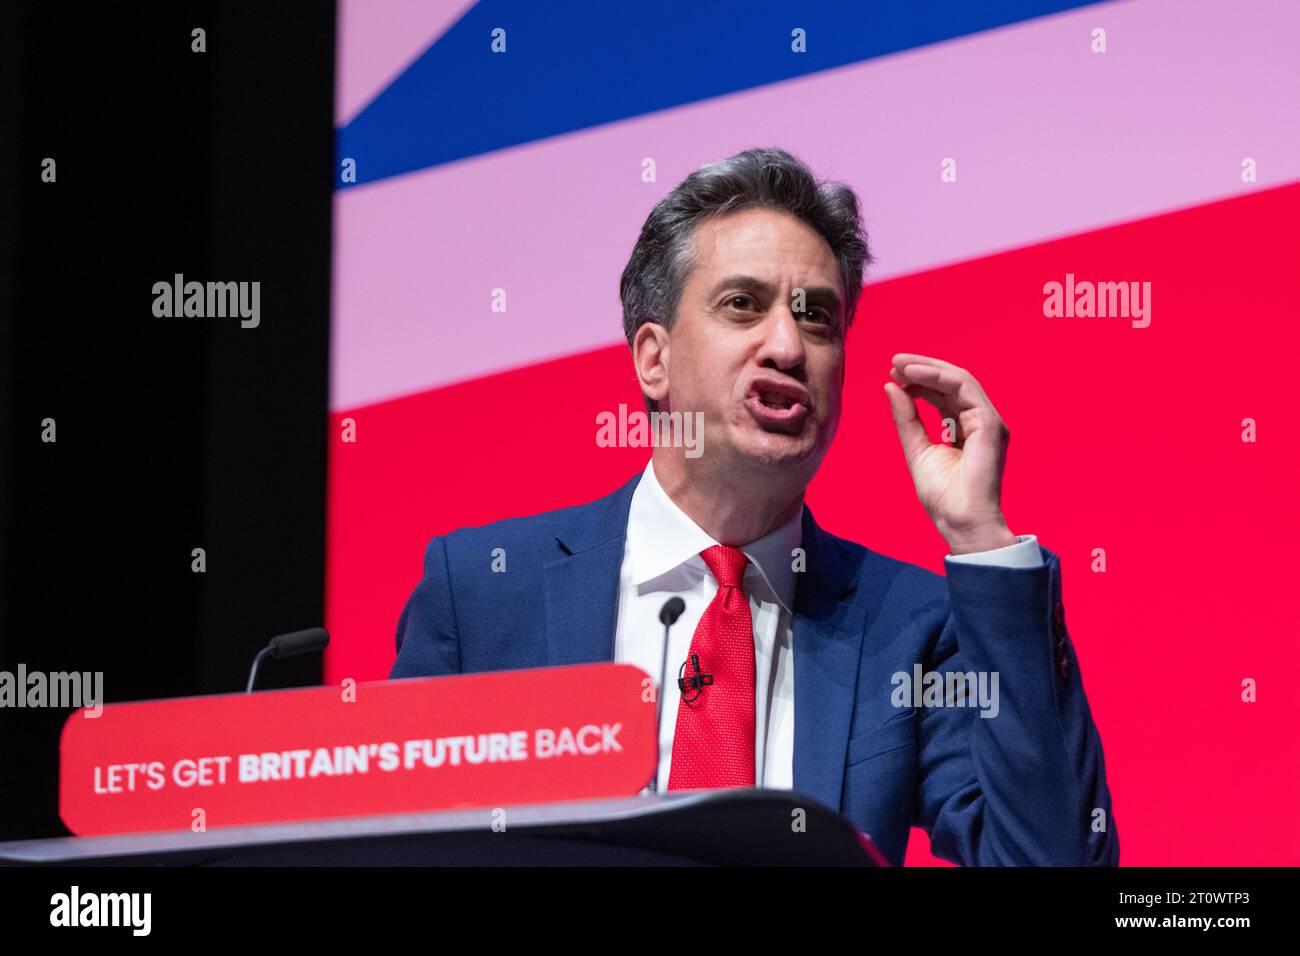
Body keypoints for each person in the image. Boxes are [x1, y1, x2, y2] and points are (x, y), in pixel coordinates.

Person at [391, 147, 1118, 866]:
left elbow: (1051, 860)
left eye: (818, 319)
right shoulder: (484, 593)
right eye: (743, 305)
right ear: (654, 358)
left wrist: (982, 540)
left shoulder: (912, 628)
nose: (787, 345)